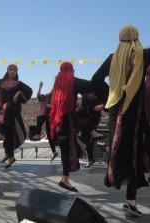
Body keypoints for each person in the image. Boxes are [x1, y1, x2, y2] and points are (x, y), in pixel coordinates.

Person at [91, 25, 150, 217]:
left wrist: (112, 94)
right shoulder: (143, 55)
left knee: (119, 150)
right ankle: (131, 199)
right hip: (134, 112)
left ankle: (126, 194)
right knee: (135, 154)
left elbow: (96, 78)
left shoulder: (112, 58)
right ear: (136, 38)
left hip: (116, 110)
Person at [49, 62, 95, 192]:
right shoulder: (71, 80)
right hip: (67, 118)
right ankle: (64, 178)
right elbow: (90, 86)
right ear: (71, 70)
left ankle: (65, 178)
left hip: (60, 119)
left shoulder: (58, 81)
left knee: (67, 147)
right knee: (68, 147)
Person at [76, 91, 107, 168]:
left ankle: (89, 159)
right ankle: (90, 158)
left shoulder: (99, 91)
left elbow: (109, 102)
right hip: (85, 117)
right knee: (84, 139)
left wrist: (102, 105)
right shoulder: (84, 94)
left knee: (88, 139)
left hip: (94, 117)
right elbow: (83, 106)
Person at [31, 81, 58, 161]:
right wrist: (40, 88)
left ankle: (38, 134)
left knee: (40, 119)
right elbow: (39, 97)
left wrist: (51, 105)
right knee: (49, 136)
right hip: (46, 115)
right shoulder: (48, 96)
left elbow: (59, 107)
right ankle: (54, 152)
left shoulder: (57, 98)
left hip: (52, 117)